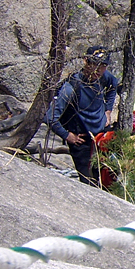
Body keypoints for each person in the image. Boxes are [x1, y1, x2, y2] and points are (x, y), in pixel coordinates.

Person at [47, 46, 118, 186]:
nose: (99, 70)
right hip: (81, 141)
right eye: (95, 65)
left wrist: (108, 111)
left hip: (102, 138)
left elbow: (113, 86)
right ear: (86, 61)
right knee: (88, 183)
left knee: (109, 180)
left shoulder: (104, 78)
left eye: (103, 66)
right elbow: (50, 117)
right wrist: (67, 136)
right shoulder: (71, 87)